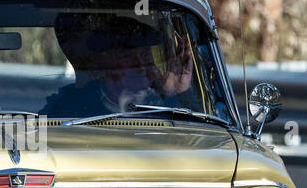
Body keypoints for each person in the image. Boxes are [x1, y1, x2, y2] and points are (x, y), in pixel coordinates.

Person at [39, 12, 197, 118]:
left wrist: (177, 92)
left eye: (145, 56)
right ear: (106, 65)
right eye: (128, 57)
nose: (142, 65)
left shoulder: (163, 103)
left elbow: (196, 133)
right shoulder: (69, 107)